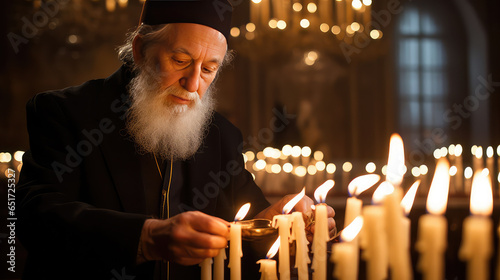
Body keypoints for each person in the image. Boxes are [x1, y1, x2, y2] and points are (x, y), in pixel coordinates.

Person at [17, 0, 336, 279]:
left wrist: (275, 226)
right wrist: (148, 238)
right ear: (141, 50)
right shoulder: (65, 111)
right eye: (180, 61)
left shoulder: (223, 135)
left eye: (209, 69)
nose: (193, 83)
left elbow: (246, 224)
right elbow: (35, 217)